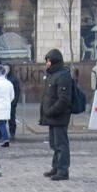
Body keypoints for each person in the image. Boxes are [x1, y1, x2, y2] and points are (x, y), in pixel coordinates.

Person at [39, 48, 72, 181]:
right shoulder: (52, 75)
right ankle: (56, 167)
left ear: (54, 62)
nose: (47, 63)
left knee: (61, 144)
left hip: (59, 116)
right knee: (54, 143)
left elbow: (63, 99)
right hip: (52, 117)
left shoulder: (63, 75)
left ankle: (63, 170)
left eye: (49, 61)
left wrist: (51, 111)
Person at [6, 64, 21, 140]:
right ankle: (2, 134)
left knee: (11, 118)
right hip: (3, 102)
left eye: (7, 68)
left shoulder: (13, 79)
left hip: (11, 102)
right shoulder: (1, 78)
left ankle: (12, 133)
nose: (5, 70)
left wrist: (15, 101)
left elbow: (17, 91)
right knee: (3, 119)